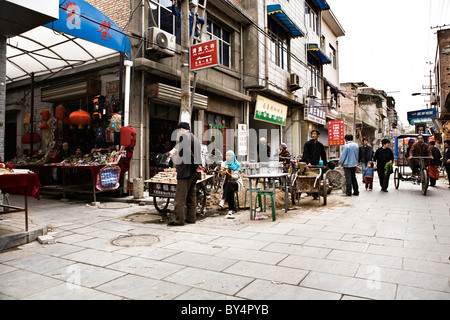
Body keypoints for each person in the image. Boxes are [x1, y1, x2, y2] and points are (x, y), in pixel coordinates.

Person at [167, 122, 202, 226]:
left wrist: (196, 165)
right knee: (191, 196)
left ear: (182, 129)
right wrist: (197, 166)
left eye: (179, 130)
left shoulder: (184, 137)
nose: (178, 132)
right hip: (194, 173)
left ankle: (179, 220)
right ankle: (191, 218)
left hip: (186, 171)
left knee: (180, 197)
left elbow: (188, 152)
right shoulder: (195, 138)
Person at [218, 151, 243, 219]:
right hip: (227, 185)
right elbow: (220, 177)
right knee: (230, 189)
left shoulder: (236, 164)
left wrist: (229, 175)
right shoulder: (223, 164)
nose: (228, 157)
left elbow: (236, 177)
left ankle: (223, 200)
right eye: (227, 155)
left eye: (230, 155)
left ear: (233, 156)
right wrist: (221, 174)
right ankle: (230, 211)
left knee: (230, 185)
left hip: (236, 183)